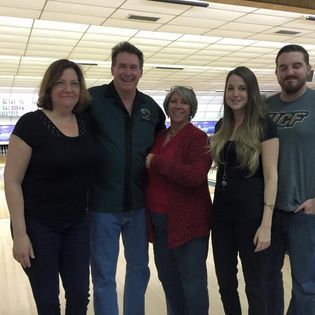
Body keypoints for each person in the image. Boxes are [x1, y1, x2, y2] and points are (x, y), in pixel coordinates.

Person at [4, 59, 95, 314]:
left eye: (74, 83)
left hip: (77, 223)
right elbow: (12, 180)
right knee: (47, 301)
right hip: (38, 226)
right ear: (49, 87)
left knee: (79, 296)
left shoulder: (85, 123)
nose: (68, 89)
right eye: (60, 83)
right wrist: (20, 235)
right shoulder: (31, 123)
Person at [87, 41, 165, 315]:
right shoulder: (91, 100)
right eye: (122, 66)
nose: (128, 72)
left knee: (139, 270)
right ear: (112, 68)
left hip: (139, 204)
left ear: (141, 71)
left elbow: (161, 149)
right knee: (104, 275)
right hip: (101, 205)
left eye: (133, 67)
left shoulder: (151, 108)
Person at [210, 66, 279, 315]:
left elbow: (272, 176)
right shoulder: (221, 125)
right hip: (220, 216)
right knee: (225, 283)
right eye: (230, 88)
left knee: (255, 285)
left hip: (251, 216)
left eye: (242, 88)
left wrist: (266, 224)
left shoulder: (264, 126)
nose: (235, 93)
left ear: (251, 93)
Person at [145, 86, 212, 315]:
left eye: (184, 102)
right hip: (160, 224)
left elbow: (195, 176)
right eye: (173, 101)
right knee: (168, 279)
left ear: (191, 108)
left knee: (192, 284)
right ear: (167, 106)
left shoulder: (198, 138)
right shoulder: (161, 136)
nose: (178, 106)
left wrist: (156, 162)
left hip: (189, 225)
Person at [266, 44, 315, 315]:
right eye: (283, 67)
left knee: (306, 286)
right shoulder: (264, 108)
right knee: (268, 282)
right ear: (276, 72)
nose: (290, 72)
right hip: (269, 213)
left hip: (305, 213)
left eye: (296, 65)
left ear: (308, 69)